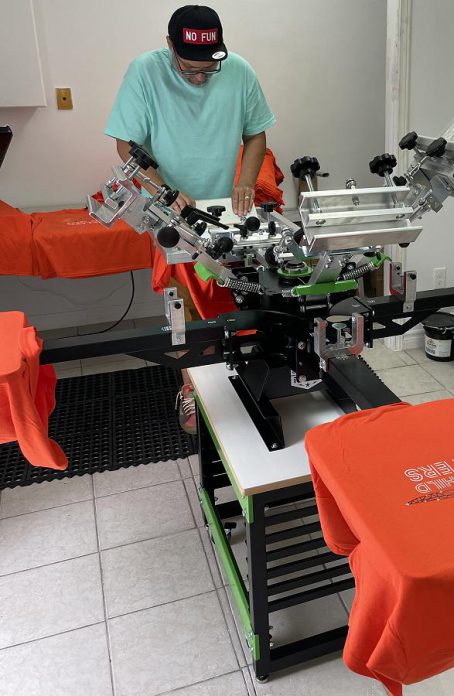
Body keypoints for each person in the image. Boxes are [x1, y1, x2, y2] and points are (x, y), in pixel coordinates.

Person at [105, 5, 276, 434]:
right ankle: (190, 385)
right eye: (190, 70)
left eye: (209, 69)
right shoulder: (145, 72)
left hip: (224, 209)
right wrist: (163, 188)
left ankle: (238, 372)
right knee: (185, 304)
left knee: (239, 293)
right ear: (170, 47)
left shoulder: (238, 71)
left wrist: (247, 181)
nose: (200, 78)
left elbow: (256, 133)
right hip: (168, 206)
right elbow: (127, 147)